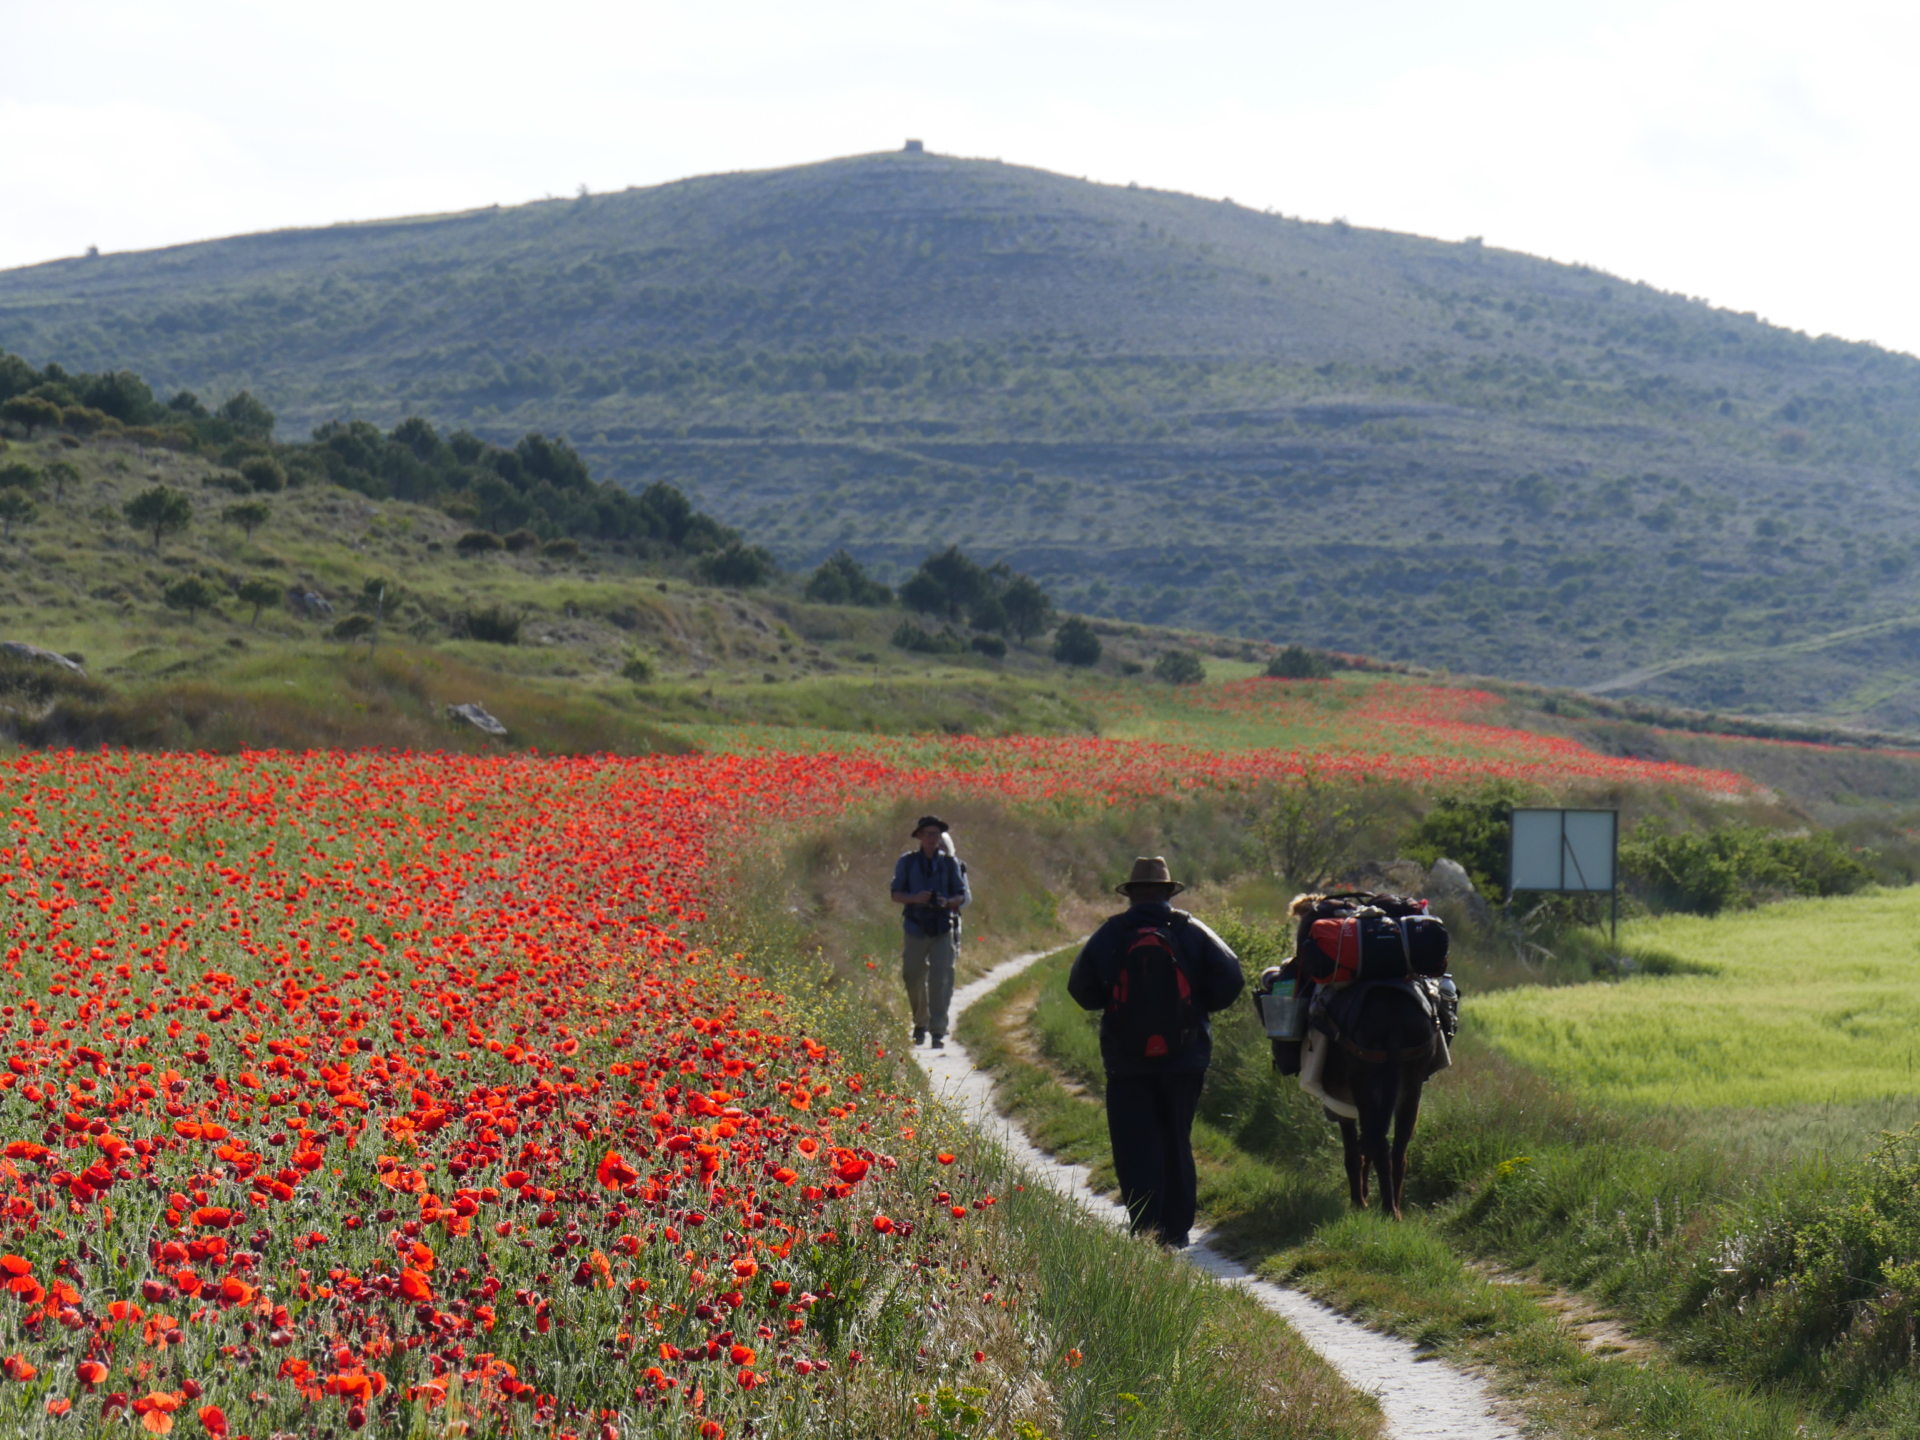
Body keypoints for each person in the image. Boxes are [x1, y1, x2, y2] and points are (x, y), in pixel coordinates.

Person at [1067, 856, 1243, 1248]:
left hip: (1126, 1060)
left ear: (1130, 894)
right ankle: (1177, 1230)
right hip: (1185, 1057)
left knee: (1134, 1143)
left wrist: (1116, 1010)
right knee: (1176, 1138)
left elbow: (1080, 988)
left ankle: (1146, 1228)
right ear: (1168, 892)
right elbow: (1231, 975)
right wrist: (1197, 1008)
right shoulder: (1189, 929)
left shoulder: (1111, 932)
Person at [891, 814, 970, 1048]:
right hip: (915, 926)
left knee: (940, 979)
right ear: (919, 836)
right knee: (912, 976)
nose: (931, 838)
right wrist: (916, 898)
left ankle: (937, 1030)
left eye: (935, 834)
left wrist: (946, 901)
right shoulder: (907, 862)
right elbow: (895, 894)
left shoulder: (949, 863)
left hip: (942, 926)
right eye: (927, 834)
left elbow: (961, 894)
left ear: (939, 838)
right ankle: (919, 1022)